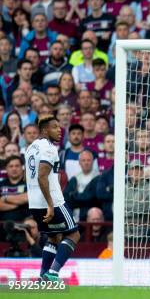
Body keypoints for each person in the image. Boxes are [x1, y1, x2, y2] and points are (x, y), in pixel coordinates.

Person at [25, 115, 80, 281]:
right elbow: (42, 175)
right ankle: (54, 272)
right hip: (53, 201)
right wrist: (50, 204)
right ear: (44, 130)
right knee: (74, 235)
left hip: (34, 203)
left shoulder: (31, 147)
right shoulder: (49, 148)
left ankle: (43, 274)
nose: (59, 130)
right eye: (55, 127)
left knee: (53, 236)